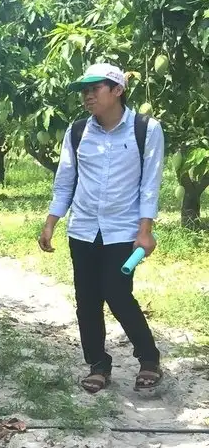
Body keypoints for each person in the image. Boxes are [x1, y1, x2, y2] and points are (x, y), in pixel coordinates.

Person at [37, 62, 165, 396]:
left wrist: (145, 230)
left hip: (123, 230)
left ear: (117, 90)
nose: (87, 96)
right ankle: (98, 365)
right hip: (83, 229)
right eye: (84, 90)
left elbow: (150, 185)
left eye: (95, 88)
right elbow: (65, 180)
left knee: (118, 294)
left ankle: (149, 359)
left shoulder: (146, 129)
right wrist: (51, 223)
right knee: (87, 301)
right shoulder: (78, 131)